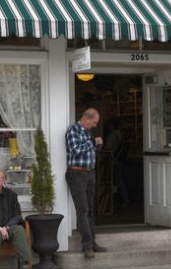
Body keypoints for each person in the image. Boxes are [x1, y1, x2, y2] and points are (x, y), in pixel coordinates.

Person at [65, 108, 107, 258]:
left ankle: (92, 242)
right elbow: (76, 150)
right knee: (82, 210)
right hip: (76, 174)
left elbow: (90, 153)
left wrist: (97, 146)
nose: (95, 125)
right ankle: (87, 246)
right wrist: (93, 142)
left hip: (89, 173)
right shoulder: (73, 130)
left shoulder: (87, 133)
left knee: (90, 209)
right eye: (94, 122)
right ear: (87, 118)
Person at [103, 119, 129, 207]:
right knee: (118, 179)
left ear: (112, 126)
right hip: (119, 160)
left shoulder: (112, 136)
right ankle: (124, 198)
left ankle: (114, 201)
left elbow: (108, 148)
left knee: (113, 180)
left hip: (113, 160)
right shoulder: (120, 134)